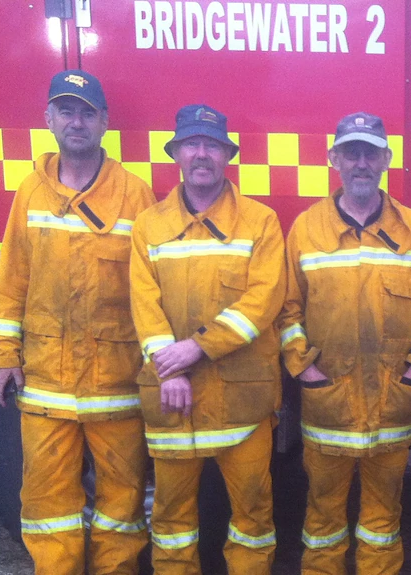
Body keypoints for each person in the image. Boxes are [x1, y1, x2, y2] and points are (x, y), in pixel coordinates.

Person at [0, 69, 154, 574]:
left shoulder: (135, 193)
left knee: (122, 505)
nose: (76, 122)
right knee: (46, 506)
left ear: (104, 121)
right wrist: (5, 357)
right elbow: (12, 279)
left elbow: (152, 291)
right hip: (45, 387)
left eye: (87, 112)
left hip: (116, 384)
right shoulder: (30, 192)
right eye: (66, 111)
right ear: (49, 119)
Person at [278, 112, 411, 574]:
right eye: (351, 152)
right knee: (323, 517)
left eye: (370, 153)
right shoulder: (306, 228)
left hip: (391, 405)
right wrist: (307, 373)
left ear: (386, 160)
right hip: (327, 403)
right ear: (334, 158)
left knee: (382, 518)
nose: (360, 162)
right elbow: (287, 310)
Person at [129, 104, 286, 574]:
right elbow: (143, 302)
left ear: (227, 156)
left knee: (253, 521)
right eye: (193, 144)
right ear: (176, 153)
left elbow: (263, 301)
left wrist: (192, 350)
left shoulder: (261, 221)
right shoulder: (149, 225)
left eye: (213, 145)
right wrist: (167, 366)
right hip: (175, 399)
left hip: (244, 404)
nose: (202, 154)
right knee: (173, 522)